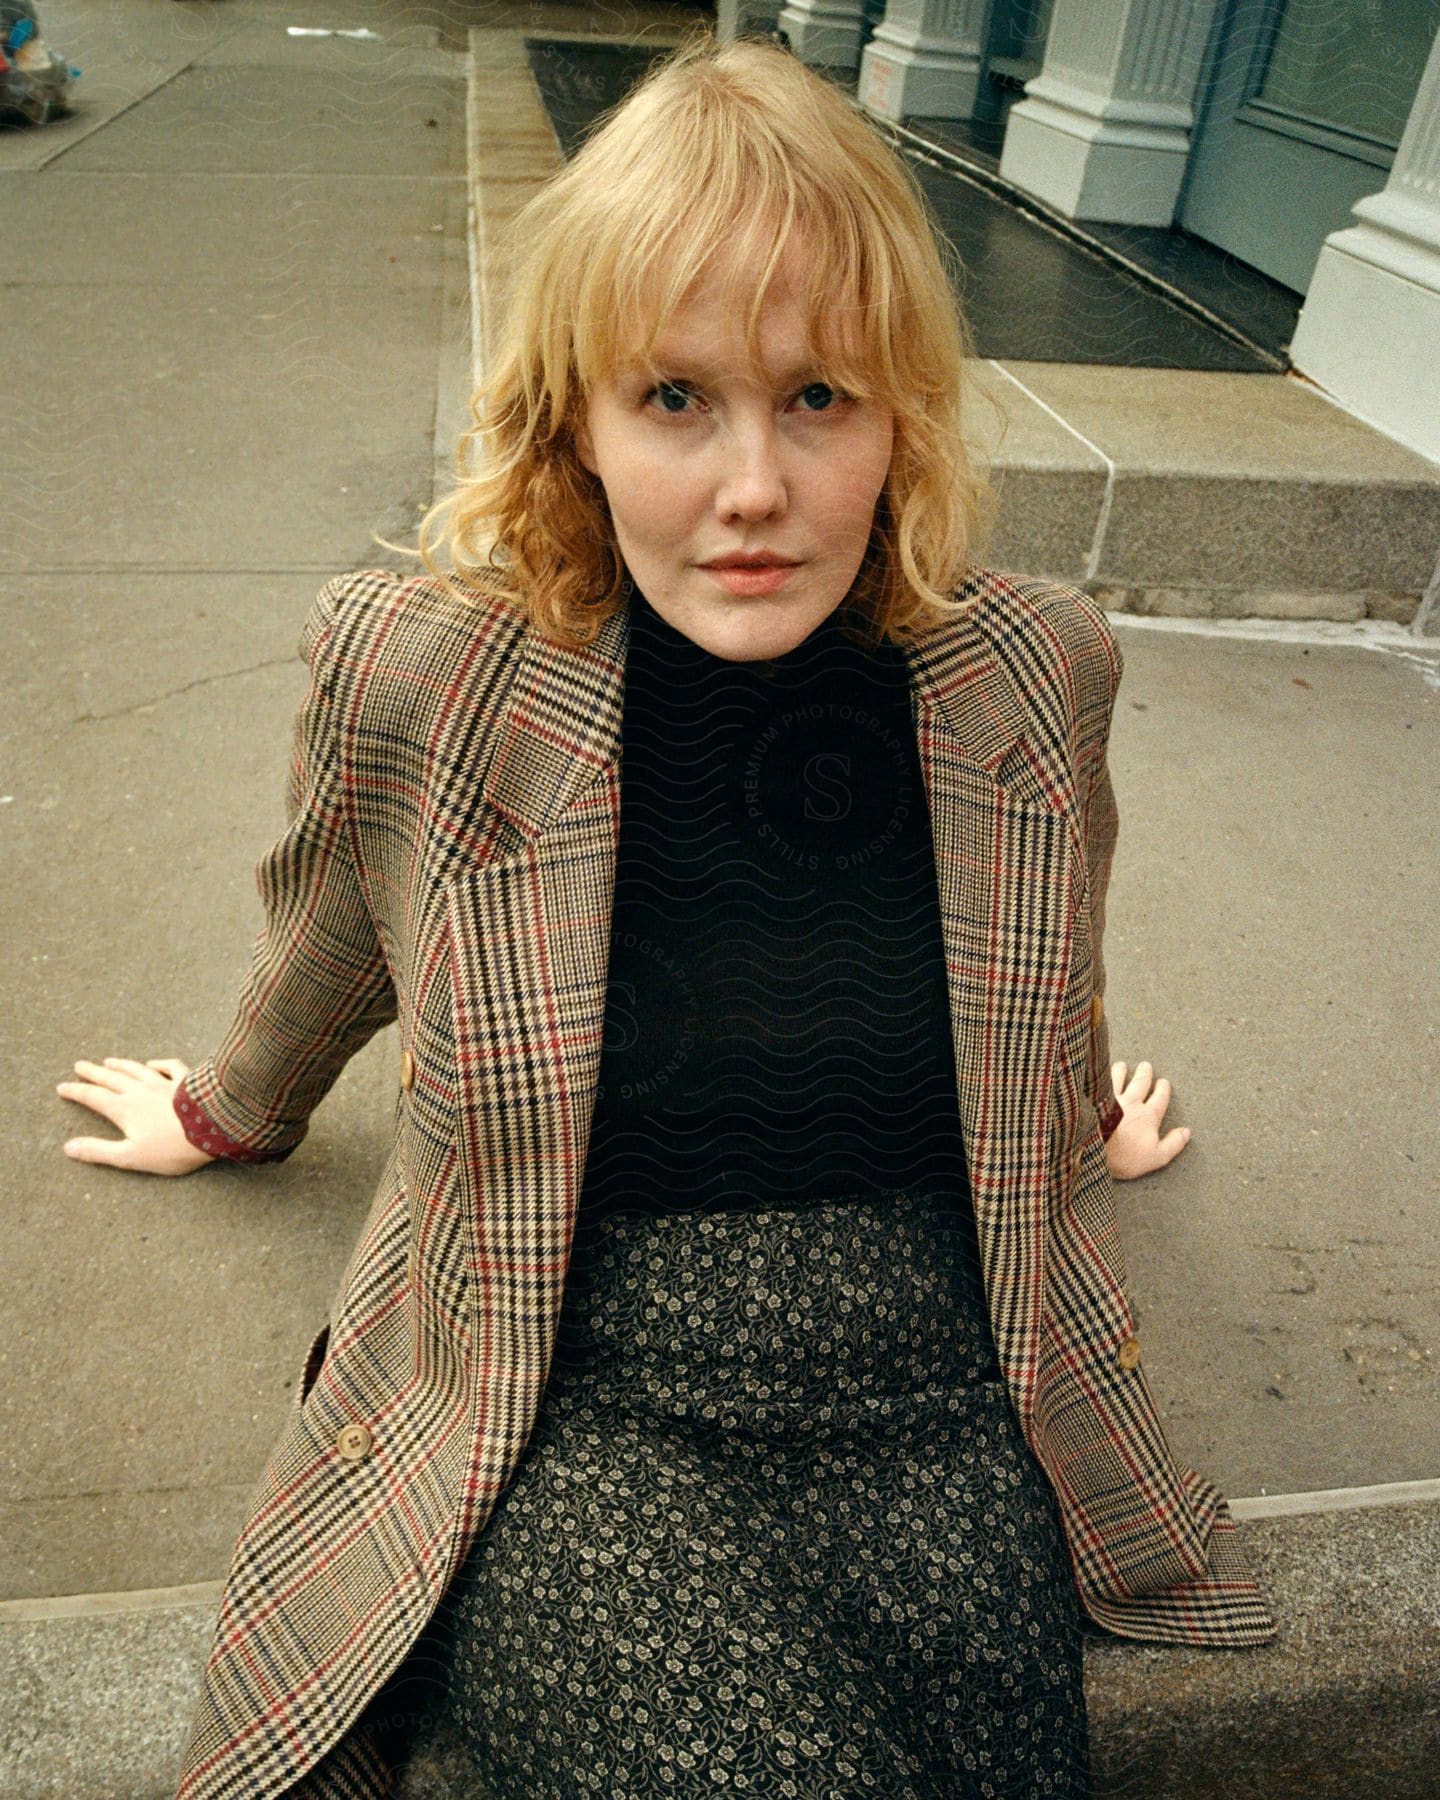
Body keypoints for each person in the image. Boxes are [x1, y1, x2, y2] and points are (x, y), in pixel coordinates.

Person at [56, 35, 1273, 1800]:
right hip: (570, 1393)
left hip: (938, 1406)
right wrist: (226, 1107)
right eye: (677, 400)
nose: (755, 489)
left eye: (820, 400)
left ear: (903, 413)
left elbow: (1044, 956)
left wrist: (1082, 1119)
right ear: (578, 417)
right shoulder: (433, 674)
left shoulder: (1030, 671)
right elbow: (339, 923)